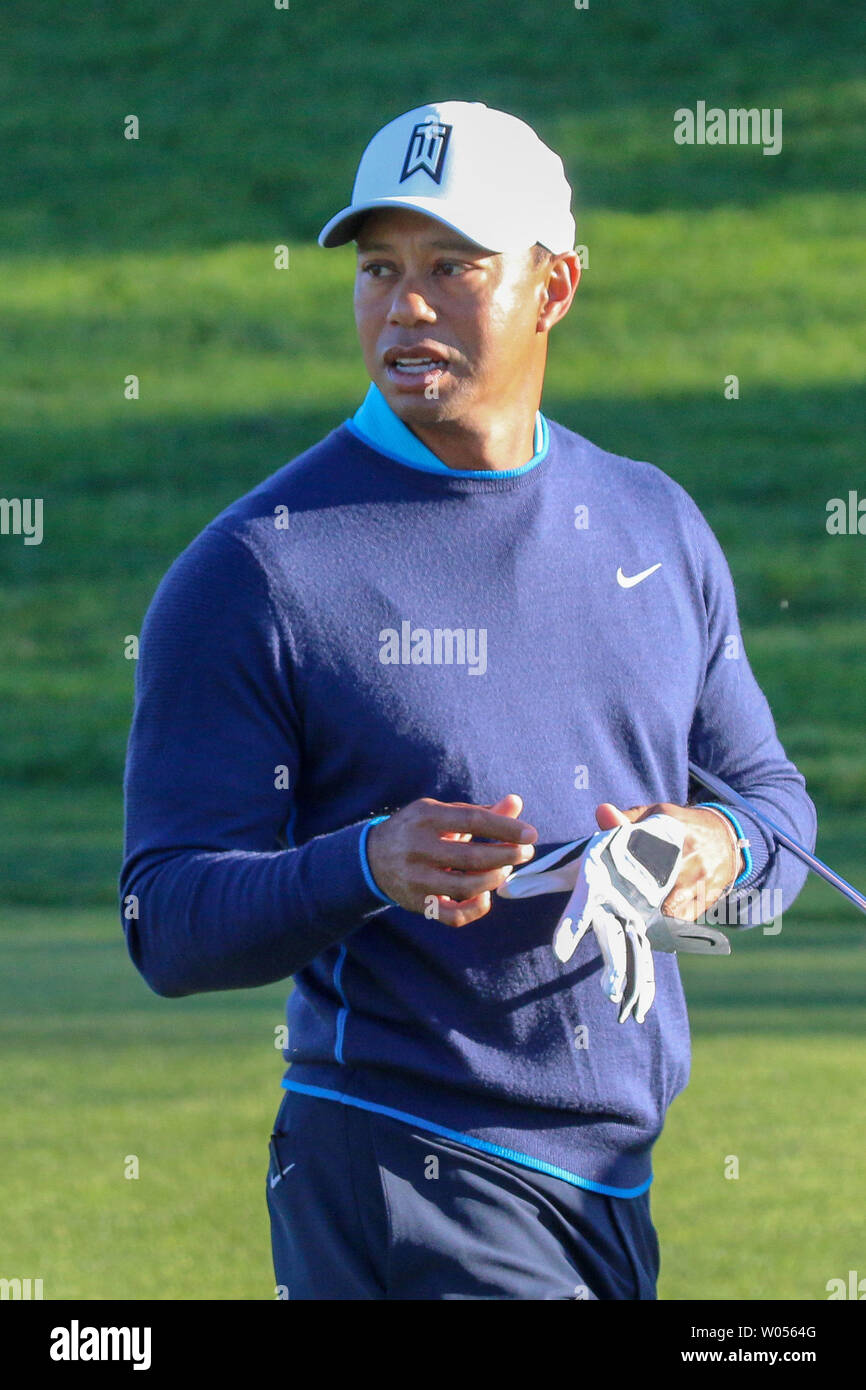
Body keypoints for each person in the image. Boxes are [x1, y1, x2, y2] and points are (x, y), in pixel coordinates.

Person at [120, 100, 817, 1300]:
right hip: (401, 1169)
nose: (405, 304)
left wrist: (704, 847)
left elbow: (772, 811)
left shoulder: (654, 522)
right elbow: (164, 918)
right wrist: (365, 866)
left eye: (453, 266)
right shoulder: (257, 569)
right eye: (380, 268)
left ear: (554, 287)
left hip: (612, 1184)